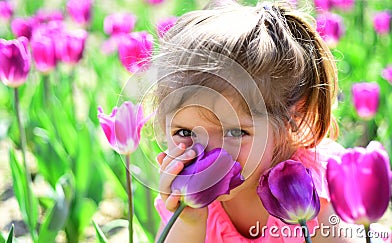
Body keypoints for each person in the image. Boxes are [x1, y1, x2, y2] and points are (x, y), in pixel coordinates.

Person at [150, 0, 390, 242]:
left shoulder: (307, 194)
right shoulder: (190, 200)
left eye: (235, 133)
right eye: (184, 132)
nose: (207, 154)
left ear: (293, 121)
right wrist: (189, 222)